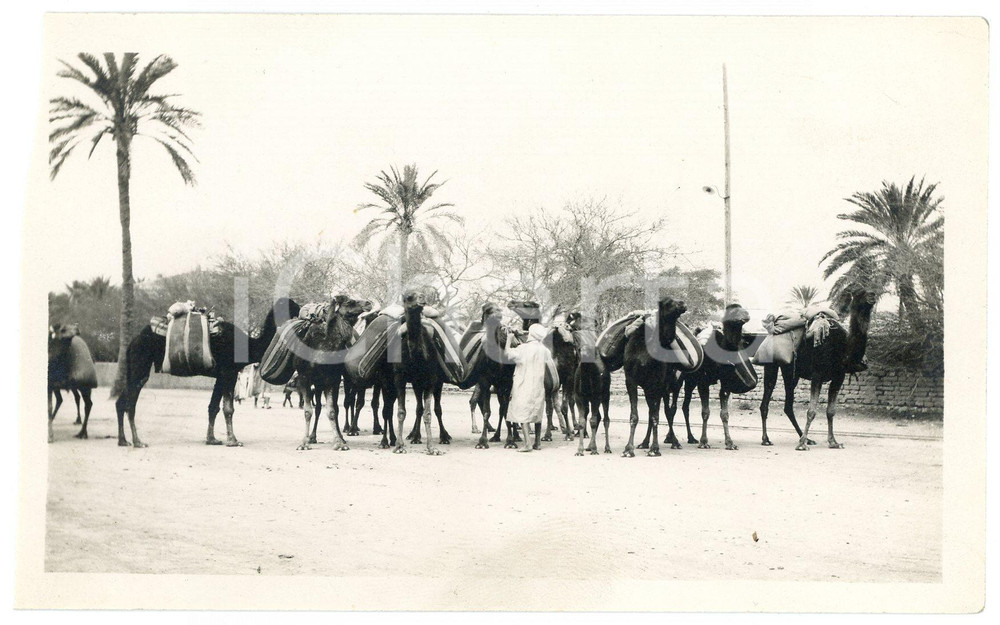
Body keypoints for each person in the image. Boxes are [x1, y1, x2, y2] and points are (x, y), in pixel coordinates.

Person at [504, 323, 555, 452]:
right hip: (538, 384)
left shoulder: (523, 348)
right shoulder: (545, 350)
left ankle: (527, 444)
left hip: (523, 383)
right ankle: (537, 442)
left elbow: (507, 354)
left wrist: (509, 339)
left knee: (522, 413)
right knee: (536, 412)